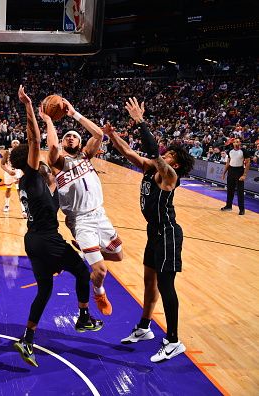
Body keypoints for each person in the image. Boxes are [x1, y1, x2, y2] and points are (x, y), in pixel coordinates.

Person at [11, 86, 102, 369]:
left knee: (45, 290)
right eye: (34, 155)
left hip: (34, 240)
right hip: (47, 239)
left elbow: (54, 179)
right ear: (30, 160)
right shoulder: (31, 174)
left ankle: (27, 337)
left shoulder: (29, 183)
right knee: (81, 272)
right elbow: (34, 137)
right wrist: (31, 108)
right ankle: (84, 317)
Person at [105, 97, 194, 362]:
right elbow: (128, 153)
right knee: (149, 282)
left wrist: (140, 122)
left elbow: (153, 151)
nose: (163, 155)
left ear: (173, 164)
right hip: (153, 234)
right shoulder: (148, 168)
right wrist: (111, 135)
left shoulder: (169, 176)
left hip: (168, 234)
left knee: (167, 286)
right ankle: (144, 327)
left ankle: (174, 340)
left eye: (168, 155)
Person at [43, 97, 123, 316]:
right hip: (80, 220)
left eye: (74, 136)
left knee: (118, 255)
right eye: (67, 136)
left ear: (80, 143)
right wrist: (49, 120)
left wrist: (74, 113)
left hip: (100, 214)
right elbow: (51, 146)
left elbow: (99, 135)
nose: (70, 137)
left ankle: (89, 252)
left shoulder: (86, 156)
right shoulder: (59, 163)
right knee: (100, 269)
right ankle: (99, 291)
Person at [220, 138, 250, 215]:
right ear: (233, 143)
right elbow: (228, 162)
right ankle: (228, 206)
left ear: (240, 143)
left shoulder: (243, 151)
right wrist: (224, 173)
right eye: (235, 142)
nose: (236, 143)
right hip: (231, 171)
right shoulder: (230, 151)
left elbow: (248, 163)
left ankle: (241, 209)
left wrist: (244, 175)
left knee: (240, 191)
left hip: (239, 171)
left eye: (237, 142)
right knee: (230, 190)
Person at [1, 139, 27, 218]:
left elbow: (24, 165)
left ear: (19, 144)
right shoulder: (7, 152)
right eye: (14, 142)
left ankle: (23, 210)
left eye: (17, 143)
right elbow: (2, 164)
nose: (15, 144)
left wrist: (22, 175)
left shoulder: (21, 153)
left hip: (18, 173)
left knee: (20, 191)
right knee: (8, 189)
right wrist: (8, 171)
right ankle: (7, 205)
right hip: (9, 173)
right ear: (11, 144)